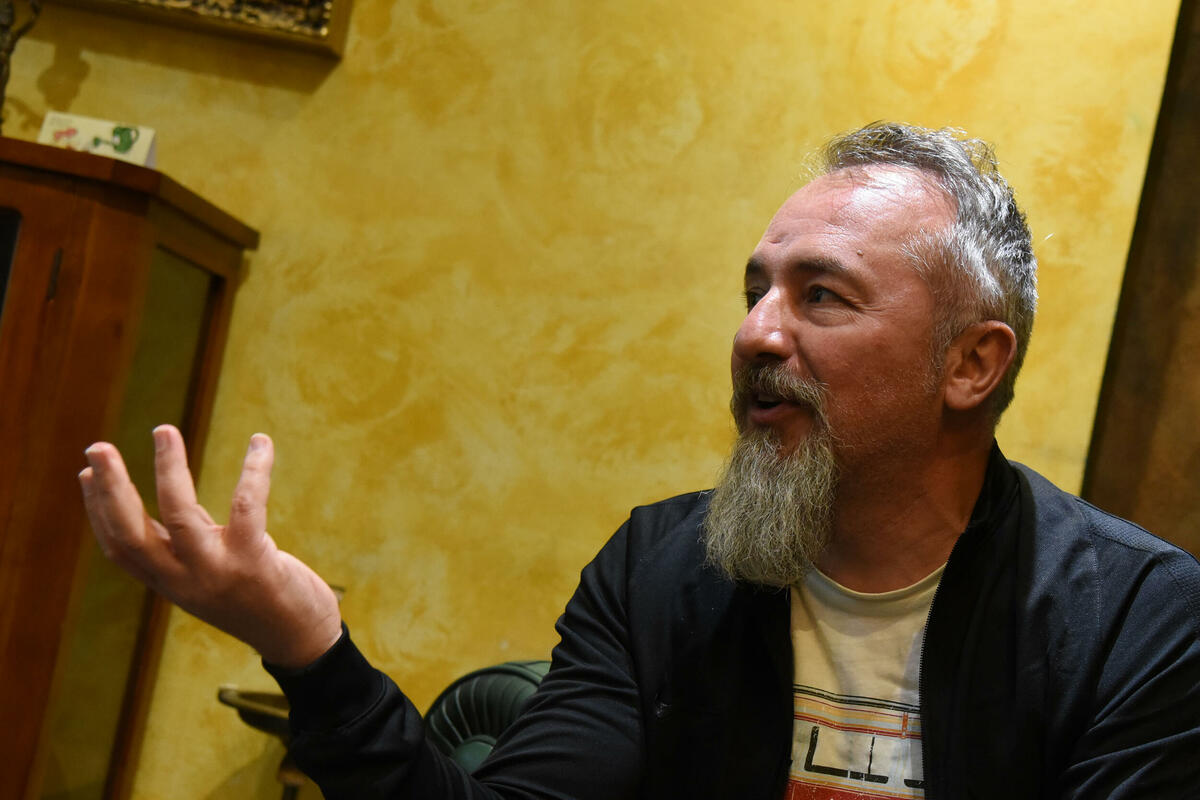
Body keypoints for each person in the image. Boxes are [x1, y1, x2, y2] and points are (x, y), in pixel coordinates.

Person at [80, 123, 1200, 800]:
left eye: (821, 295)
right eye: (755, 290)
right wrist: (309, 646)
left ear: (970, 363)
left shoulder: (1135, 619)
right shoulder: (663, 566)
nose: (757, 333)